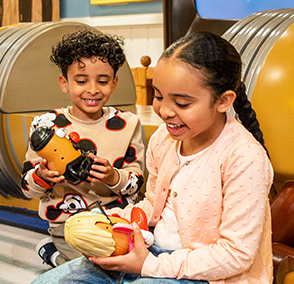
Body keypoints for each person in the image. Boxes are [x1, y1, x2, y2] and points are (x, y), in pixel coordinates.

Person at [32, 31, 274, 283]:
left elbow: (236, 255)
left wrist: (150, 265)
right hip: (149, 252)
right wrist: (112, 222)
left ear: (223, 101)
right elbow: (152, 205)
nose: (164, 111)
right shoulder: (164, 138)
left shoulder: (245, 157)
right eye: (158, 96)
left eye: (181, 103)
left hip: (208, 274)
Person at [21, 29, 146, 267]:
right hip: (70, 222)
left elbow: (136, 182)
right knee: (95, 266)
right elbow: (27, 188)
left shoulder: (129, 124)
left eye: (102, 81)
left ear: (114, 83)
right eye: (81, 81)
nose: (93, 89)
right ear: (64, 83)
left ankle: (58, 257)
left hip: (117, 217)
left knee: (135, 260)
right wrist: (42, 176)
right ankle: (55, 255)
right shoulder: (46, 126)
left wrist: (113, 176)